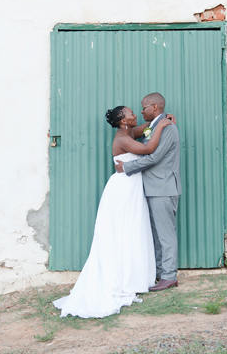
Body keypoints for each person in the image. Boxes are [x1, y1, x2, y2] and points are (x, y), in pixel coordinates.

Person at [52, 106, 172, 318]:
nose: (135, 115)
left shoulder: (128, 132)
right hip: (124, 189)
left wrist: (155, 122)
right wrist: (162, 127)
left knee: (132, 230)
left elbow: (144, 130)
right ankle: (122, 278)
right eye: (131, 114)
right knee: (123, 230)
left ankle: (132, 276)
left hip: (132, 188)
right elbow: (149, 149)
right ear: (124, 121)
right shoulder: (123, 139)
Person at [115, 92, 181, 292]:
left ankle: (169, 276)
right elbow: (142, 136)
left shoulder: (167, 128)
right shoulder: (155, 126)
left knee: (165, 235)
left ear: (154, 107)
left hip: (163, 187)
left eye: (144, 107)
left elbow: (154, 157)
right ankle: (162, 273)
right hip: (154, 188)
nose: (141, 111)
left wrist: (126, 167)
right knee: (157, 234)